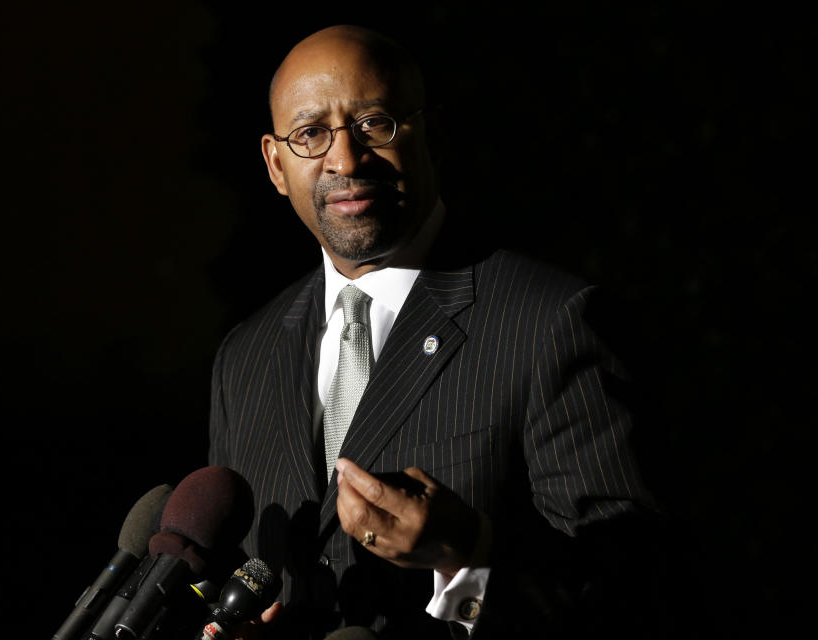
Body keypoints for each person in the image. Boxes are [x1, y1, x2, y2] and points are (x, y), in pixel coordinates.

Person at [208, 24, 664, 639]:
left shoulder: (549, 321)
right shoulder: (245, 357)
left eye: (375, 123)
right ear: (276, 164)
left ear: (432, 133)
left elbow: (634, 594)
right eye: (311, 133)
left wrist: (467, 557)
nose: (345, 159)